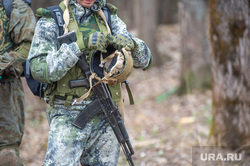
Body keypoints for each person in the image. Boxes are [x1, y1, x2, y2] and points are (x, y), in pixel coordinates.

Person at [28, 0, 152, 165]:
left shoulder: (108, 17)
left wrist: (135, 46)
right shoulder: (53, 19)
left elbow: (145, 61)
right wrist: (78, 46)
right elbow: (39, 70)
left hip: (106, 112)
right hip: (68, 114)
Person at [0, 0, 36, 165]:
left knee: (7, 156)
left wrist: (3, 63)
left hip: (5, 93)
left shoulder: (14, 7)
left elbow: (29, 46)